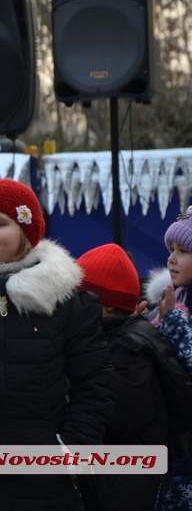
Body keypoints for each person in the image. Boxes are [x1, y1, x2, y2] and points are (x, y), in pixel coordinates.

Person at [0, 179, 115, 511]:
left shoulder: (68, 303)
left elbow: (94, 383)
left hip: (45, 477)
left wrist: (70, 450)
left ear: (27, 232)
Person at [75, 244, 192, 511]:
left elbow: (105, 420)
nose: (172, 258)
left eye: (76, 298)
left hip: (123, 492)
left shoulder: (132, 352)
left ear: (106, 306)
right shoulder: (118, 340)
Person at [146, 206, 192, 510]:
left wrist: (174, 323)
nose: (171, 258)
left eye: (183, 251)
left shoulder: (174, 310)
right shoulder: (170, 301)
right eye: (171, 249)